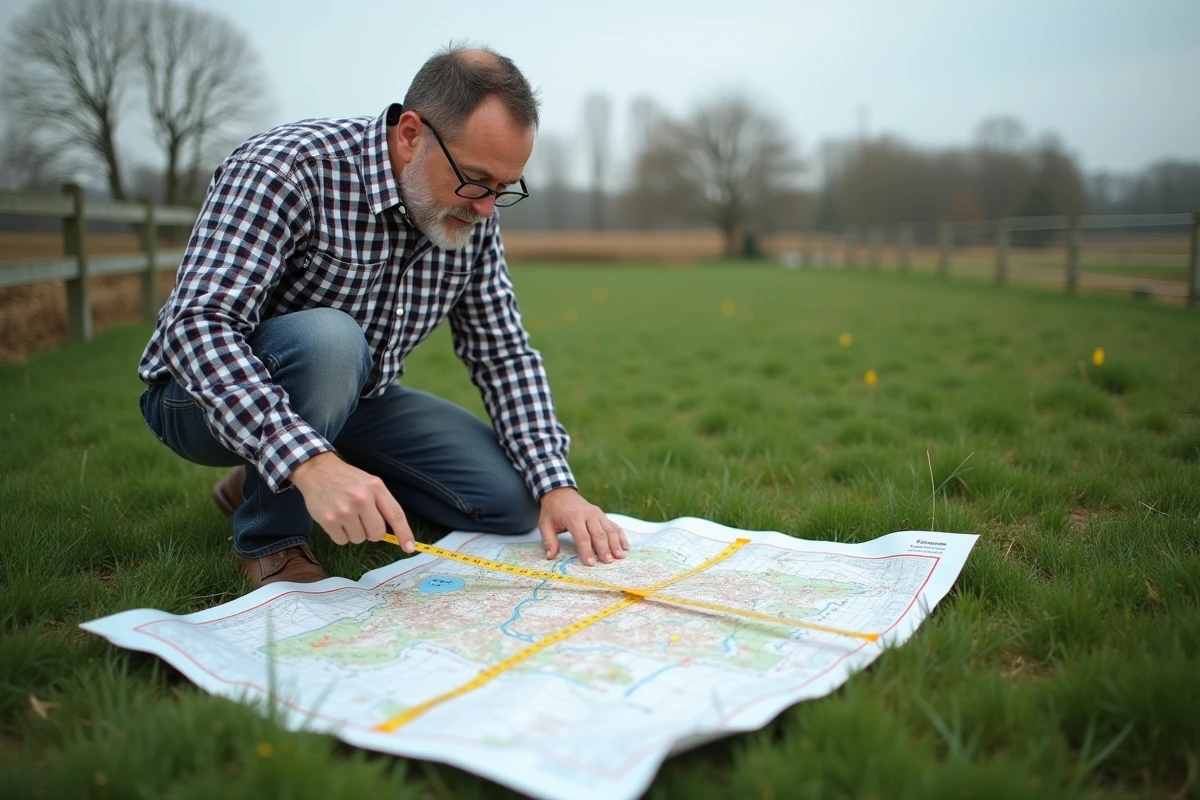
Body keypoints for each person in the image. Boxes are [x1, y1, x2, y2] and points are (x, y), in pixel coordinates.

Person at [137, 45, 627, 589]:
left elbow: (503, 353)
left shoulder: (472, 215)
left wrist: (557, 485)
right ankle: (273, 539)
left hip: (360, 400)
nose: (487, 208)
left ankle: (264, 472)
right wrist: (308, 463)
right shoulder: (287, 168)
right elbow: (195, 325)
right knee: (332, 340)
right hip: (196, 398)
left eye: (503, 189)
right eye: (476, 179)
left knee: (509, 502)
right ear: (410, 134)